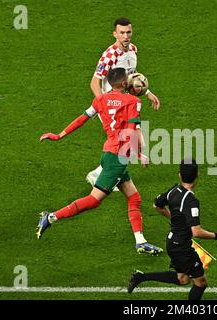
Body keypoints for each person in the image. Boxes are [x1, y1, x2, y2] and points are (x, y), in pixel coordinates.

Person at [36, 68, 163, 256]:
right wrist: (139, 154)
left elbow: (82, 118)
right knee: (94, 200)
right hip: (118, 158)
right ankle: (52, 217)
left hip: (109, 153)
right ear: (123, 83)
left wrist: (58, 135)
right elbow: (131, 128)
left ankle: (140, 242)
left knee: (134, 198)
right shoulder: (133, 101)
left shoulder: (100, 99)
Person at [127, 159, 217, 300]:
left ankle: (141, 277)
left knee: (182, 279)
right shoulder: (191, 201)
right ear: (197, 175)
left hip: (173, 243)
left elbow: (157, 205)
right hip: (181, 247)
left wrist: (174, 219)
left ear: (180, 175)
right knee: (201, 283)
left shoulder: (173, 191)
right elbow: (197, 232)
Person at [87, 17, 161, 187]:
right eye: (122, 33)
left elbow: (131, 78)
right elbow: (94, 82)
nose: (126, 36)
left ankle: (101, 173)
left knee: (127, 140)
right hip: (112, 107)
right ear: (115, 34)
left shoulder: (133, 50)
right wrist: (102, 105)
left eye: (128, 32)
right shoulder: (109, 56)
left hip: (126, 104)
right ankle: (100, 175)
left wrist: (147, 92)